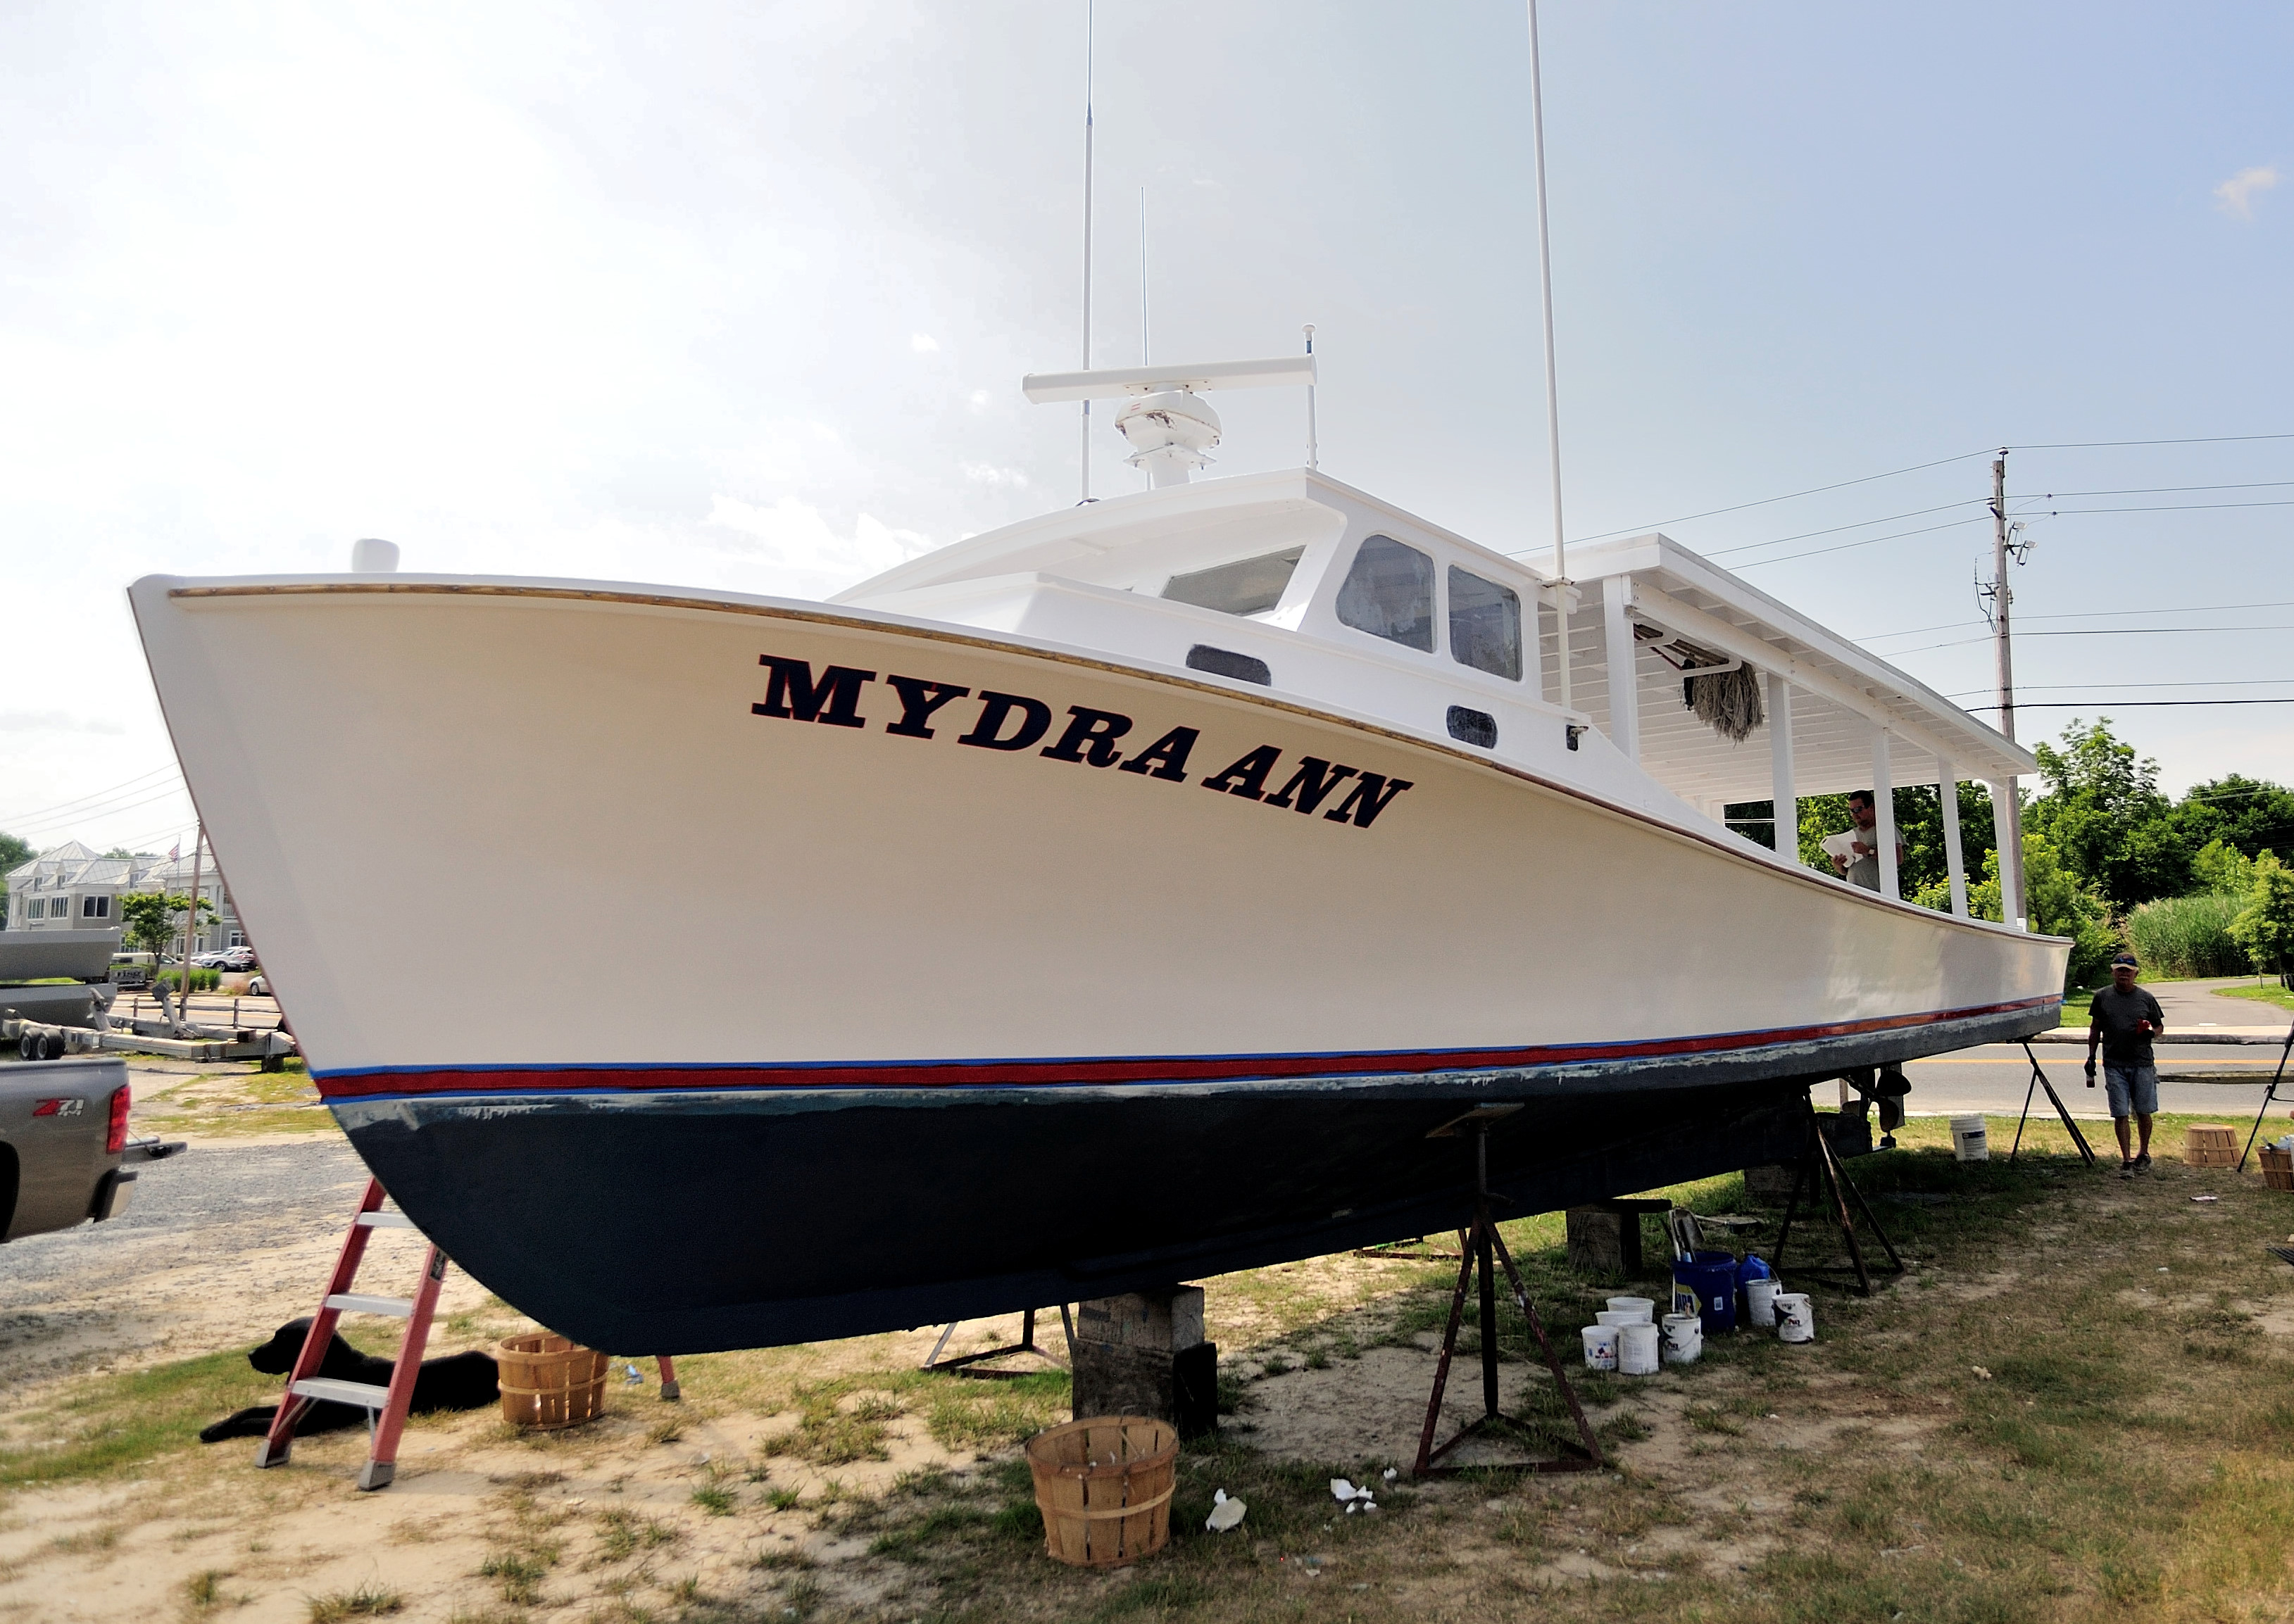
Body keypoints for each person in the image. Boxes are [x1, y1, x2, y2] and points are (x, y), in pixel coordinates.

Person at [2086, 952, 2165, 1177]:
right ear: (2113, 972)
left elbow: (2159, 1028)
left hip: (2142, 1062)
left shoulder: (2146, 998)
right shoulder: (2102, 997)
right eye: (2119, 970)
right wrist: (2091, 1057)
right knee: (2120, 1113)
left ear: (2135, 974)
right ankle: (2126, 1160)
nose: (2123, 975)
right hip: (2113, 1063)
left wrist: (2149, 1031)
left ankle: (2143, 1154)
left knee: (2143, 1110)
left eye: (2128, 971)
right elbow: (2095, 1028)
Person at [1820, 791, 1905, 892]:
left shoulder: (1885, 830)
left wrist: (1869, 851)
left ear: (1872, 807)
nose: (1854, 815)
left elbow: (1898, 859)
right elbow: (1847, 870)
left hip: (1879, 895)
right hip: (1854, 895)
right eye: (1851, 811)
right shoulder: (1851, 834)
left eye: (1858, 809)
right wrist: (1839, 866)